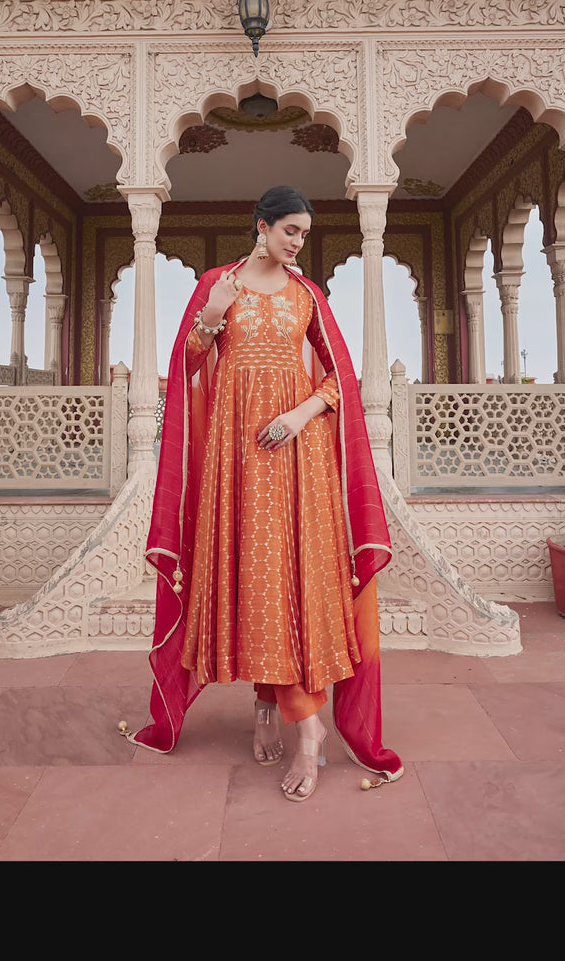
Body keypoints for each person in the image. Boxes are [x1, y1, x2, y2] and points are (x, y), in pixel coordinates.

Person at [123, 186, 403, 801]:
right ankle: (268, 702)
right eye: (291, 230)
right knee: (256, 577)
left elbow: (341, 378)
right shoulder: (218, 282)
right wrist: (210, 316)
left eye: (304, 233)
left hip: (297, 456)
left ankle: (310, 730)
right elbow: (188, 366)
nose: (299, 242)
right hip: (235, 458)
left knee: (292, 578)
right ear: (262, 226)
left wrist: (302, 414)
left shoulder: (309, 295)